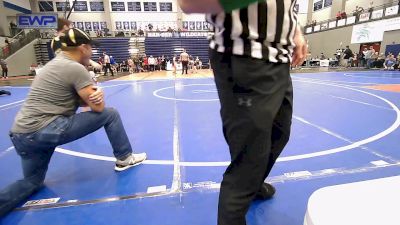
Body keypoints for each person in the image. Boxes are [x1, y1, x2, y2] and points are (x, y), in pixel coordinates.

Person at [179, 0, 307, 224]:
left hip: (280, 58)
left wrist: (294, 30)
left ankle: (254, 185)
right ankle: (238, 203)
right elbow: (188, 3)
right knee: (249, 156)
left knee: (279, 133)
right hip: (244, 55)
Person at [0, 28, 147, 217]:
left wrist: (87, 97)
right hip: (45, 129)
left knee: (32, 182)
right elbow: (98, 108)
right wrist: (97, 95)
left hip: (21, 135)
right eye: (91, 48)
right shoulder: (75, 68)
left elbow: (76, 101)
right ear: (83, 47)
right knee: (111, 114)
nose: (92, 52)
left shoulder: (52, 65)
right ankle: (125, 158)